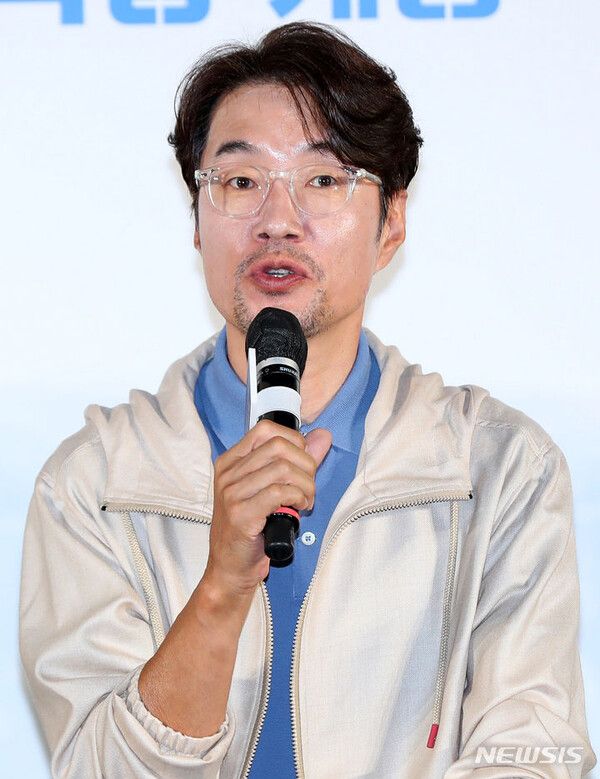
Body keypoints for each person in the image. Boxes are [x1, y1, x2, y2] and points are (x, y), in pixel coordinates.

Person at [19, 21, 595, 779]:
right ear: (196, 220)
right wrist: (221, 587)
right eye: (240, 181)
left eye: (324, 180)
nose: (277, 221)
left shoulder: (497, 469)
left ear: (391, 222)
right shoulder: (95, 484)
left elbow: (533, 754)